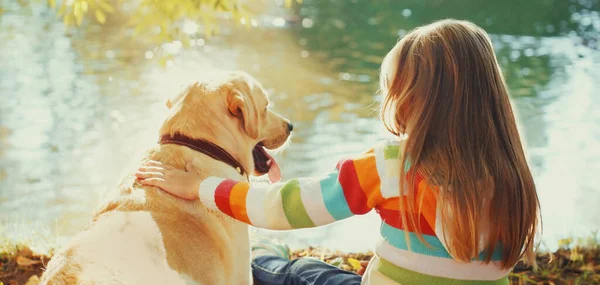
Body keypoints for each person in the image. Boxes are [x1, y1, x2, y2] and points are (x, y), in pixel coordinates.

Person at [135, 19, 540, 285]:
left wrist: (202, 187)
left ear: (414, 100)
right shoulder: (511, 176)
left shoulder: (392, 168)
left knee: (289, 273)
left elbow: (284, 206)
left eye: (393, 91)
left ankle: (265, 254)